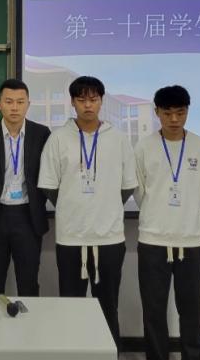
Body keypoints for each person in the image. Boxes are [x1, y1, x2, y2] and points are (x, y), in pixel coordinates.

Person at [37, 75, 137, 350]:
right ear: (72, 102)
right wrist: (73, 206)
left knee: (108, 306)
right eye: (82, 99)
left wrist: (105, 206)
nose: (88, 105)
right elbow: (49, 186)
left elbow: (127, 186)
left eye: (93, 99)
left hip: (109, 238)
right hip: (71, 238)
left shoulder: (118, 138)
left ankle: (110, 354)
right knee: (71, 307)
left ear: (101, 101)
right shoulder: (58, 138)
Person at [133, 85, 200, 360]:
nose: (174, 119)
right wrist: (158, 213)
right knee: (153, 310)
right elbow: (140, 192)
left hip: (191, 241)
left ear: (187, 112)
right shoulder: (143, 147)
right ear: (157, 112)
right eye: (167, 113)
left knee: (190, 309)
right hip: (153, 240)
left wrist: (187, 216)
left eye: (180, 112)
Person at [0, 78, 51, 297]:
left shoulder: (41, 134)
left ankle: (29, 321)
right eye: (9, 101)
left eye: (20, 102)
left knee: (28, 283)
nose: (14, 107)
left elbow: (46, 176)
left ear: (28, 104)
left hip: (28, 216)